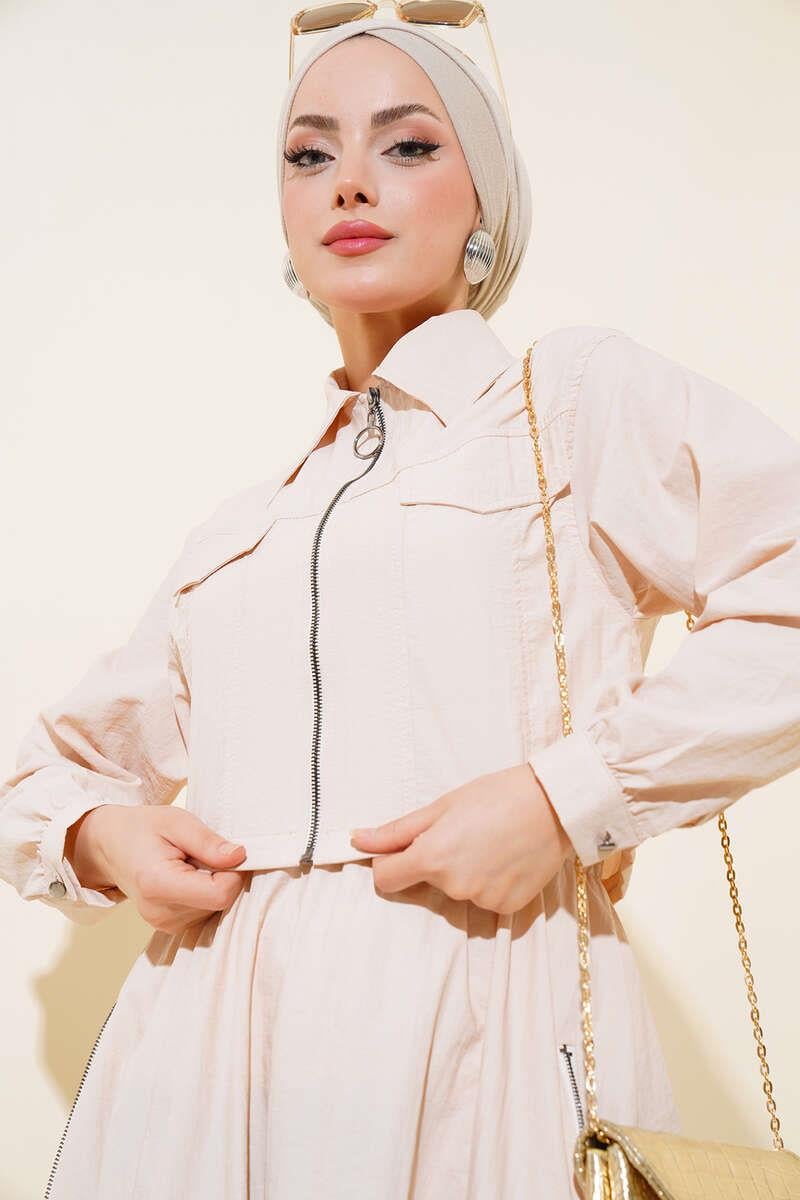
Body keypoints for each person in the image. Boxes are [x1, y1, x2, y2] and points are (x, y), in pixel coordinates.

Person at [2, 15, 799, 1200]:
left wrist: (562, 797)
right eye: (309, 154)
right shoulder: (247, 525)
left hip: (482, 1024)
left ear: (487, 203)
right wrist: (101, 838)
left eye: (408, 145)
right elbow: (45, 775)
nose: (350, 183)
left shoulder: (565, 405)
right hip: (203, 1060)